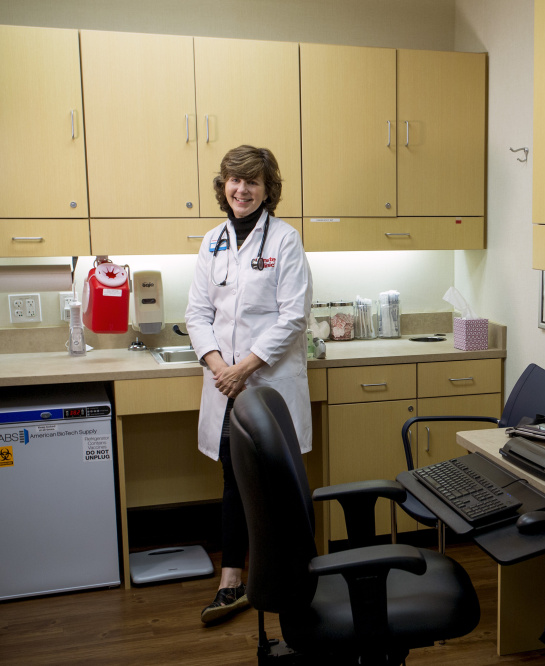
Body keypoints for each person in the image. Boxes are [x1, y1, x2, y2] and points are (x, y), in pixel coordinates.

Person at [185, 145, 313, 624]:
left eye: (252, 182)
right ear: (224, 186)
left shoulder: (284, 240)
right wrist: (221, 366)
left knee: (281, 483)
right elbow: (198, 313)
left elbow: (293, 316)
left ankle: (297, 576)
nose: (242, 189)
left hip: (268, 382)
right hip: (226, 384)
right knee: (233, 481)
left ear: (267, 189)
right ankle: (232, 581)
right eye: (235, 181)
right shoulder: (212, 241)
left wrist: (244, 369)